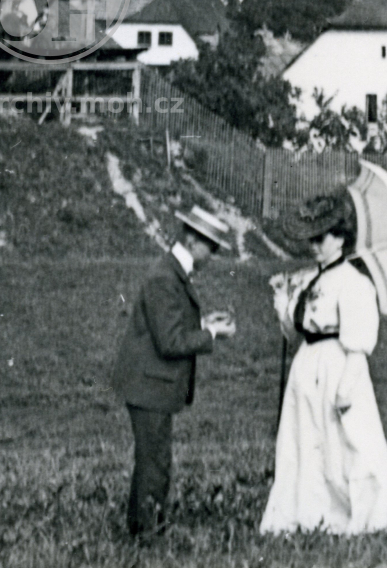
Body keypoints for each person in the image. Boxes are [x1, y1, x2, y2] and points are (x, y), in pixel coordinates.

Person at [260, 193, 387, 536]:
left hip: (338, 367)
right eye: (311, 238)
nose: (314, 245)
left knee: (348, 443)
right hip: (306, 367)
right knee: (306, 441)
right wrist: (283, 301)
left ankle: (370, 512)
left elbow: (359, 343)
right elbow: (294, 330)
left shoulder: (355, 283)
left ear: (340, 238)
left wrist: (346, 388)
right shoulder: (310, 278)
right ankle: (311, 515)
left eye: (321, 238)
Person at [111, 205, 237, 538]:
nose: (211, 256)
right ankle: (150, 537)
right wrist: (211, 335)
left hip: (149, 384)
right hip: (150, 385)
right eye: (211, 247)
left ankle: (140, 531)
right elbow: (170, 342)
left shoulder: (169, 273)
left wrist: (204, 323)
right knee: (156, 465)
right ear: (194, 240)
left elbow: (169, 327)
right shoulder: (165, 278)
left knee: (150, 461)